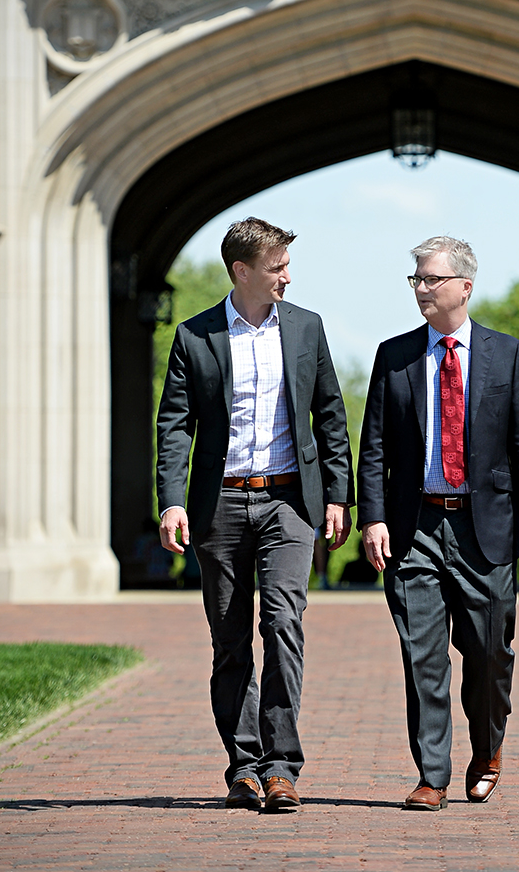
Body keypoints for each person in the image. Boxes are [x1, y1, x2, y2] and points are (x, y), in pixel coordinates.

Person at [156, 217, 354, 812]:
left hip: (289, 502)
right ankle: (243, 765)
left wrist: (338, 495)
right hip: (219, 506)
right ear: (242, 271)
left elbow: (331, 415)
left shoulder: (305, 329)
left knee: (284, 625)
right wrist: (171, 499)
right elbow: (174, 426)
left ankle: (282, 765)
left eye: (287, 266)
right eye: (277, 268)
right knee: (231, 640)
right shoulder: (195, 338)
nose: (287, 278)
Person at [358, 235, 519, 811]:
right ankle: (432, 776)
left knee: (489, 654)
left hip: (483, 529)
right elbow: (373, 449)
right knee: (424, 657)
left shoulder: (505, 354)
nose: (420, 288)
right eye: (415, 278)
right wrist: (373, 518)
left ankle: (487, 750)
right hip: (415, 528)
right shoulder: (394, 356)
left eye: (430, 279)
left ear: (464, 286)